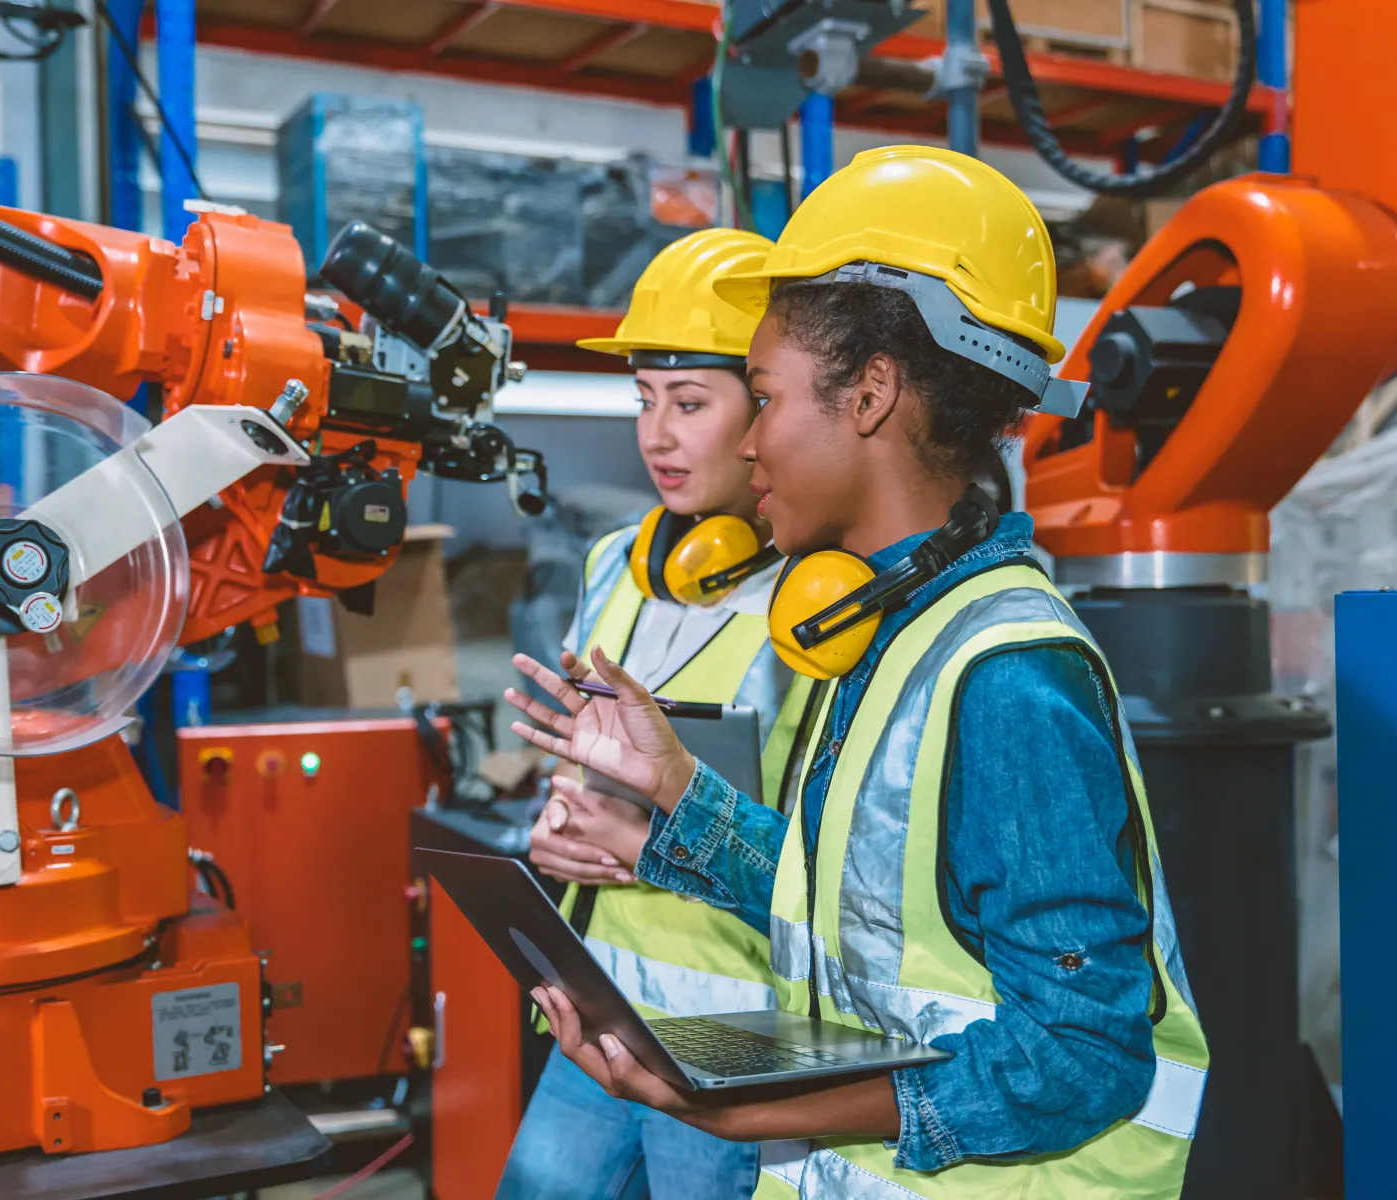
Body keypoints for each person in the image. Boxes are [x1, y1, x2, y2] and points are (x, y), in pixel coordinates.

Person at [506, 147, 1210, 1199]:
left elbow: (1082, 1059)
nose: (748, 449)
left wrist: (731, 1101)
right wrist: (680, 794)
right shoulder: (881, 635)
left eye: (760, 395)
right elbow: (855, 921)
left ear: (872, 393)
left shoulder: (1008, 675)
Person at [496, 227, 818, 1200]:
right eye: (642, 400)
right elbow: (581, 763)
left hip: (734, 1031)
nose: (656, 435)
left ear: (761, 409)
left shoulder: (812, 607)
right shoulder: (615, 567)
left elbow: (823, 856)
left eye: (689, 402)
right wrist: (553, 824)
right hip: (599, 999)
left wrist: (647, 836)